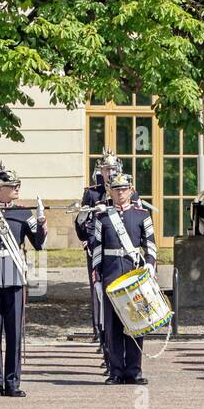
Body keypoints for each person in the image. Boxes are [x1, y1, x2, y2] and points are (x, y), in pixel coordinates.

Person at [0, 165, 47, 396]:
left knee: (14, 332)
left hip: (15, 276)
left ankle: (13, 382)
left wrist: (42, 223)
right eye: (13, 187)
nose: (17, 190)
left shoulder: (24, 214)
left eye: (17, 186)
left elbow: (38, 243)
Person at [89, 171, 157, 385]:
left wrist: (150, 264)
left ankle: (134, 370)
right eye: (116, 190)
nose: (120, 193)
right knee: (113, 325)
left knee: (137, 322)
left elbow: (151, 244)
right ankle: (116, 371)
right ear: (110, 191)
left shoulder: (142, 215)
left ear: (131, 190)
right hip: (111, 272)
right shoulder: (103, 217)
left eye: (124, 189)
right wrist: (97, 274)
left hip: (133, 272)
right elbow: (97, 247)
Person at [77, 150, 122, 366]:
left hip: (119, 252)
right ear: (100, 171)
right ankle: (102, 338)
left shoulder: (125, 191)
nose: (110, 172)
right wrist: (86, 239)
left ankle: (119, 347)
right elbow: (82, 222)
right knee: (98, 296)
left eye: (113, 168)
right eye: (106, 169)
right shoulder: (92, 194)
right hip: (97, 250)